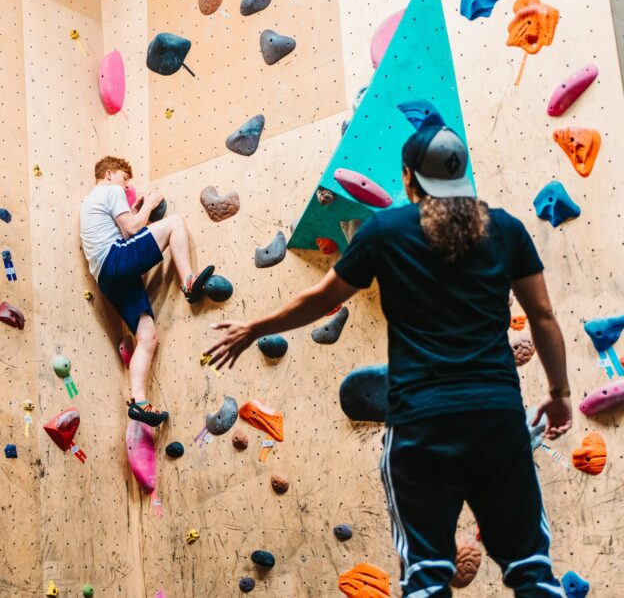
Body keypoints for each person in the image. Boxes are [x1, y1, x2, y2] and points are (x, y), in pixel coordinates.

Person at [205, 116, 571, 597]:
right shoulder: (505, 229)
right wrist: (559, 394)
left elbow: (320, 298)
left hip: (421, 424)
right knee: (532, 573)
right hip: (496, 418)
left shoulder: (386, 231)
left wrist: (256, 327)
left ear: (407, 178)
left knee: (425, 579)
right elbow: (542, 316)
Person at [80, 156, 215, 426]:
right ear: (108, 174)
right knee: (175, 222)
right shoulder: (111, 190)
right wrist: (149, 206)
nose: (127, 184)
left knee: (147, 337)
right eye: (124, 177)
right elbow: (131, 230)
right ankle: (188, 280)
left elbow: (121, 228)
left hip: (107, 279)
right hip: (115, 259)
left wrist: (135, 209)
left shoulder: (91, 201)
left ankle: (139, 400)